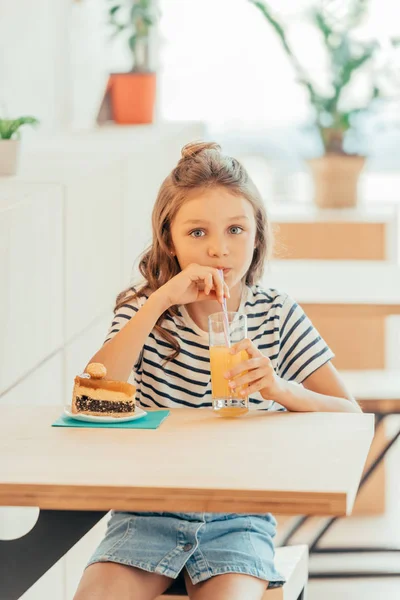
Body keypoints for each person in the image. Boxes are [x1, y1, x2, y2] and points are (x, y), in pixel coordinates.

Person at [74, 141, 361, 600]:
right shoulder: (145, 307)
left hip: (238, 516)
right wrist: (161, 300)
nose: (219, 250)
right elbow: (94, 388)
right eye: (197, 233)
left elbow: (350, 413)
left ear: (257, 234)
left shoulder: (276, 314)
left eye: (234, 230)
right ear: (169, 238)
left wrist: (280, 389)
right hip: (147, 511)